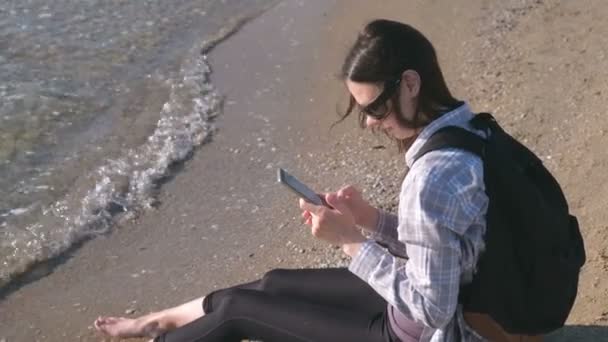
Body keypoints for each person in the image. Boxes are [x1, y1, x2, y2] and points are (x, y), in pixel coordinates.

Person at [94, 19, 529, 342]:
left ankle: (161, 334)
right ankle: (162, 320)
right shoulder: (471, 129)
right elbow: (446, 244)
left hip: (412, 333)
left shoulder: (432, 176)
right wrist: (370, 220)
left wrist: (352, 243)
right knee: (274, 283)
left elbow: (433, 310)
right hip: (439, 296)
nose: (369, 124)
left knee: (237, 310)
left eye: (374, 109)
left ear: (410, 84)